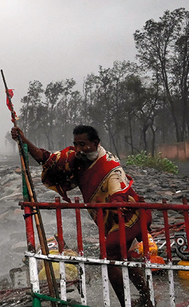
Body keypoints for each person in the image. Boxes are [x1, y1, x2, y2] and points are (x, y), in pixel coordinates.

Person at [11, 125, 153, 307]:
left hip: (127, 216)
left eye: (83, 144)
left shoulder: (110, 166)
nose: (78, 149)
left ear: (95, 144)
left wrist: (117, 202)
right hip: (108, 219)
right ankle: (147, 301)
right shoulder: (75, 157)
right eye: (75, 144)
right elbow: (45, 158)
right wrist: (23, 140)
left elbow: (119, 194)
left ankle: (127, 303)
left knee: (111, 257)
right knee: (128, 256)